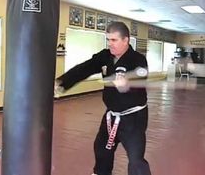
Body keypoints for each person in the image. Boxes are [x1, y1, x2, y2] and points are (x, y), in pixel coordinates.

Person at [55, 21, 151, 175]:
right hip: (111, 115)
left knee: (136, 159)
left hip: (133, 118)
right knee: (102, 148)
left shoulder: (138, 59)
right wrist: (62, 82)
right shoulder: (105, 56)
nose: (110, 44)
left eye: (114, 40)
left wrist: (126, 85)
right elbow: (85, 68)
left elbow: (140, 80)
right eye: (108, 40)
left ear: (126, 40)